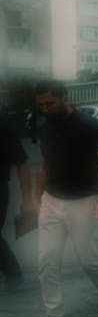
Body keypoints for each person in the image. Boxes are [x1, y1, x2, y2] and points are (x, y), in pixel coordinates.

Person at [32, 80, 98, 317]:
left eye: (49, 103)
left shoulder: (88, 126)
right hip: (51, 201)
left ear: (64, 97)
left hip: (84, 202)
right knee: (46, 261)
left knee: (88, 259)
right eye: (41, 105)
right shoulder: (45, 128)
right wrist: (37, 200)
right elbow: (45, 166)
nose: (45, 108)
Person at [0, 115, 34, 290]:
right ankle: (12, 272)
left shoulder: (3, 126)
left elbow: (22, 163)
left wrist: (27, 199)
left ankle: (13, 273)